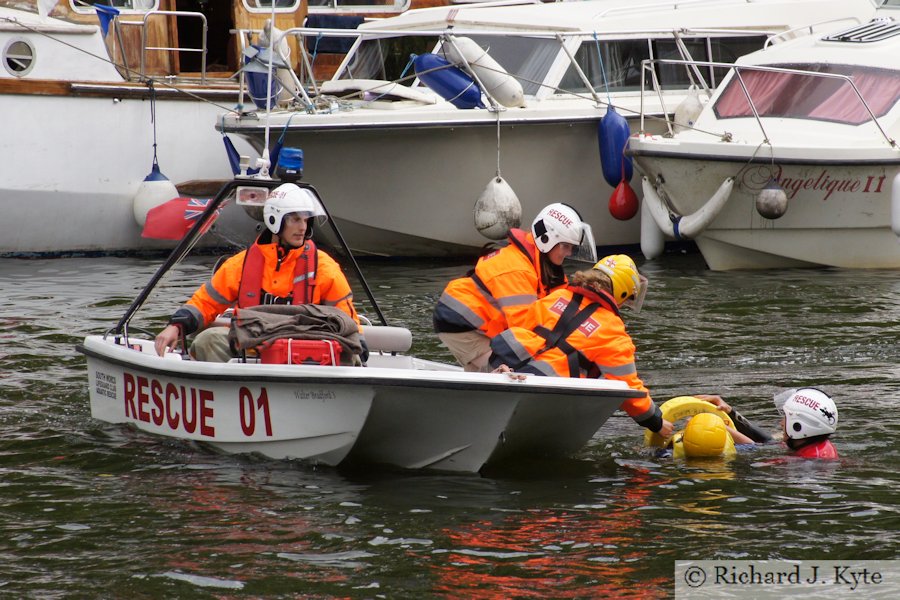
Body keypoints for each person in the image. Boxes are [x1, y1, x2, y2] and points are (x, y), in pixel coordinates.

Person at [154, 183, 361, 362]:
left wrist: (358, 344)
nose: (302, 227)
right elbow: (205, 303)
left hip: (305, 353)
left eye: (306, 220)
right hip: (250, 348)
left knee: (350, 354)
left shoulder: (324, 267)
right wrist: (177, 325)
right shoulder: (241, 264)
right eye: (295, 219)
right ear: (275, 221)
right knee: (207, 340)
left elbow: (346, 318)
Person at [488, 254, 673, 437]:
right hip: (546, 396)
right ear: (622, 292)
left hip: (503, 369)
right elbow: (629, 387)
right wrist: (656, 422)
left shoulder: (556, 297)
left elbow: (522, 328)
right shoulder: (612, 329)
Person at [433, 203, 596, 372]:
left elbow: (560, 312)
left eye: (572, 247)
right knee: (510, 369)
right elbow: (524, 327)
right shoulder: (519, 270)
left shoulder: (544, 268)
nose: (569, 253)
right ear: (547, 239)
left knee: (507, 365)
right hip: (462, 323)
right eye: (566, 246)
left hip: (472, 321)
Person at [693, 388, 839, 459]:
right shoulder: (808, 444)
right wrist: (730, 412)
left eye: (786, 418)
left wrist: (717, 426)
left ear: (799, 426)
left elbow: (755, 454)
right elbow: (765, 442)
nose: (781, 423)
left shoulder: (807, 463)